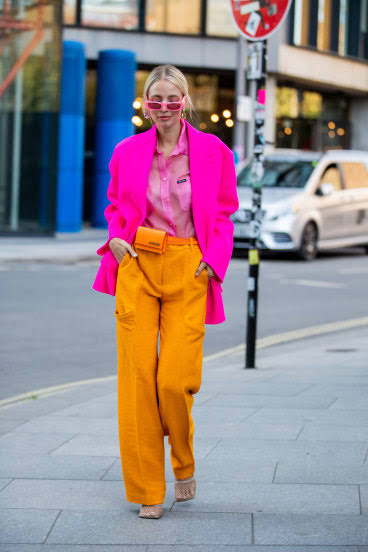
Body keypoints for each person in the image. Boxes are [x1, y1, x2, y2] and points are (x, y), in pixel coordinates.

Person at [92, 64, 239, 519]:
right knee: (137, 383)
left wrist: (212, 263)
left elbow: (224, 213)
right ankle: (147, 492)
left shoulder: (214, 152)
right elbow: (116, 205)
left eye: (171, 100)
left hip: (189, 266)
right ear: (146, 103)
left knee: (173, 381)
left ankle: (184, 463)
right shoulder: (127, 151)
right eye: (154, 100)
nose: (162, 108)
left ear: (185, 101)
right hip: (136, 261)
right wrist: (116, 237)